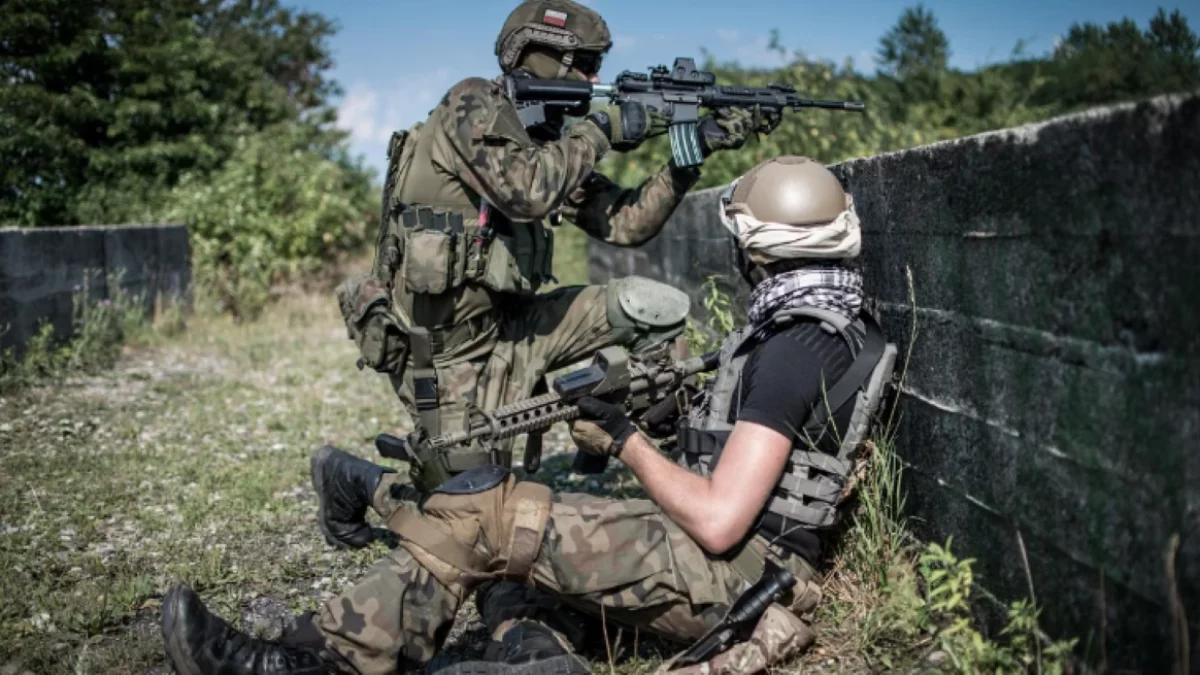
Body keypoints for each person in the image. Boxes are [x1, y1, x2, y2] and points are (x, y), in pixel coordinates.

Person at [159, 155, 899, 675]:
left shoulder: (794, 347)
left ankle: (309, 660)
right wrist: (667, 419)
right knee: (513, 549)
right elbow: (756, 461)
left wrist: (623, 438)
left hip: (741, 579)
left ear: (758, 254)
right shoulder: (824, 323)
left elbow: (718, 519)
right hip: (742, 568)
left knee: (490, 516)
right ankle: (536, 652)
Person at [329, 0, 777, 543]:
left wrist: (691, 151)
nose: (593, 78)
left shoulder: (542, 142)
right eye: (584, 64)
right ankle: (353, 478)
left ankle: (684, 471)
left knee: (652, 310)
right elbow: (526, 192)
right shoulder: (469, 104)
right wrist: (600, 130)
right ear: (540, 55)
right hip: (448, 356)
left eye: (596, 65)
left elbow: (627, 223)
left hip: (515, 328)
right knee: (472, 528)